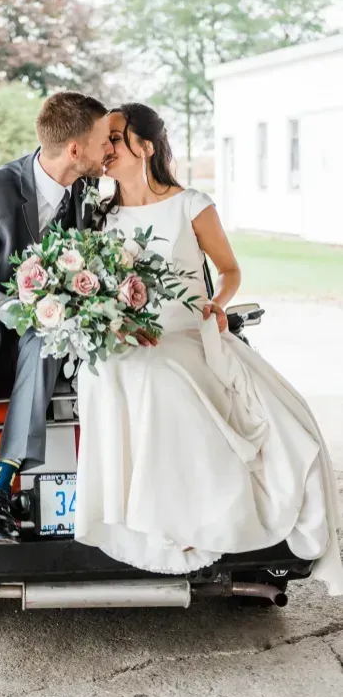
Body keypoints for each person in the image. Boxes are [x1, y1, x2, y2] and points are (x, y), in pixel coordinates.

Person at [74, 102, 343, 595]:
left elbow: (230, 271)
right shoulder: (99, 214)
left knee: (162, 377)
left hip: (183, 333)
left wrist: (217, 304)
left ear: (146, 147)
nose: (105, 148)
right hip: (126, 336)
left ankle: (186, 514)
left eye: (115, 137)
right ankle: (126, 512)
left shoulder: (190, 203)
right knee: (101, 373)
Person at [0, 91, 113, 544]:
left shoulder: (90, 194)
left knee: (49, 332)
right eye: (104, 139)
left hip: (43, 346)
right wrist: (20, 310)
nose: (109, 149)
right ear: (75, 149)